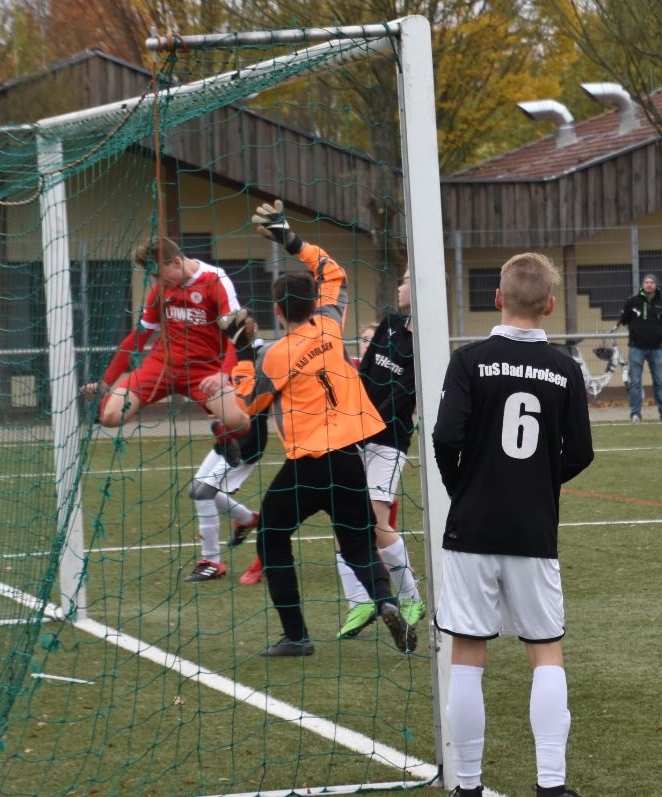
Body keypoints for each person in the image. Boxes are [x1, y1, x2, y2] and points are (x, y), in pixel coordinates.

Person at [201, 199, 416, 657]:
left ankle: (296, 635)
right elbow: (333, 271)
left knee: (272, 536)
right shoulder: (329, 328)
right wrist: (289, 237)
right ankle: (386, 600)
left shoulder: (273, 357)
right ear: (311, 304)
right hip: (350, 459)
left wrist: (240, 351)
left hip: (307, 465)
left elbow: (245, 407)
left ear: (279, 312)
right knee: (358, 541)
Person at [432, 252, 594, 797]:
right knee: (545, 650)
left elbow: (445, 437)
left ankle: (469, 787)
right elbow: (582, 453)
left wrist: (464, 488)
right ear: (550, 305)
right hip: (532, 529)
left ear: (497, 298)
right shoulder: (566, 369)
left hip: (471, 528)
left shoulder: (469, 360)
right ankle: (551, 785)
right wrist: (541, 482)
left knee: (468, 654)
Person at [80, 236, 249, 436]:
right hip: (161, 367)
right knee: (110, 417)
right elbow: (138, 338)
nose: (156, 281)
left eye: (159, 275)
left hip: (204, 372)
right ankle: (115, 398)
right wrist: (105, 383)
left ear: (177, 262)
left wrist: (223, 374)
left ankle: (222, 431)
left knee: (238, 422)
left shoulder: (215, 280)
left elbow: (237, 333)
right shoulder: (161, 289)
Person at [337, 267, 426, 637]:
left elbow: (402, 396)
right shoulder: (388, 325)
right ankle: (359, 605)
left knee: (374, 521)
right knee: (344, 520)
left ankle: (411, 597)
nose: (400, 285)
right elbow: (365, 376)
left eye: (406, 279)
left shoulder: (427, 342)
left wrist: (367, 425)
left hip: (389, 441)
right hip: (356, 433)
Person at [184, 406, 269, 583]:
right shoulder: (229, 378)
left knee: (203, 494)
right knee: (196, 490)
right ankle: (247, 519)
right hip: (226, 437)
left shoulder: (262, 378)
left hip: (248, 441)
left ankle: (212, 563)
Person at [617, 272, 662, 423]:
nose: (649, 284)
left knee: (660, 381)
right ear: (643, 285)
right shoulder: (632, 301)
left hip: (658, 348)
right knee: (635, 382)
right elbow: (623, 320)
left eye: (652, 282)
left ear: (656, 285)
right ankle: (635, 414)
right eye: (646, 282)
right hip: (636, 348)